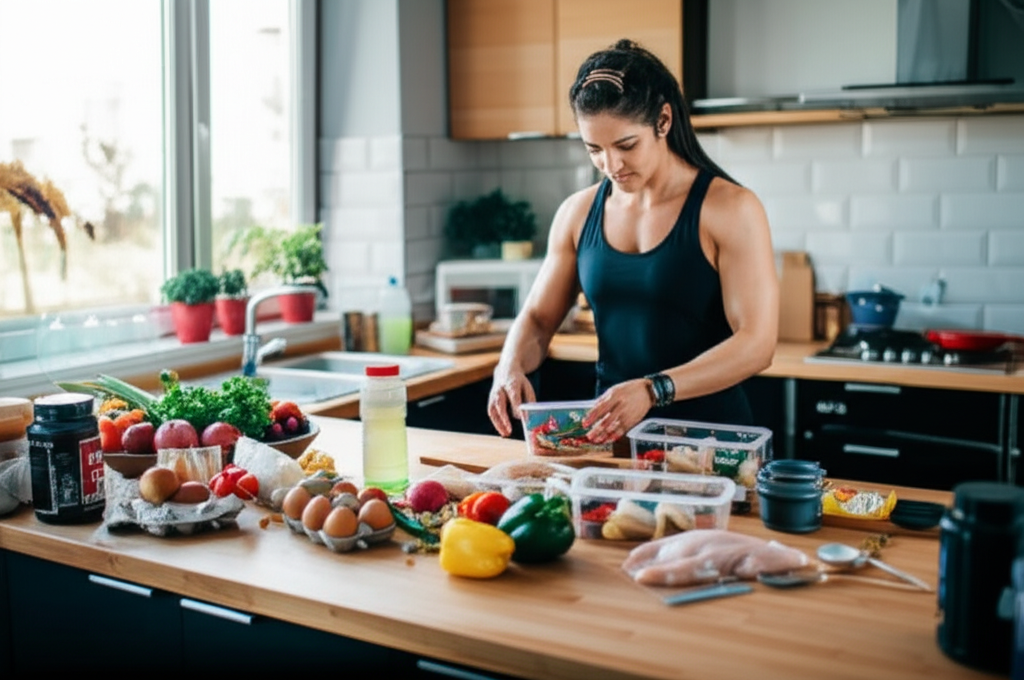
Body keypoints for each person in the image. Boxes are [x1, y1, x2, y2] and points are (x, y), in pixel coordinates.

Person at [487, 39, 779, 445]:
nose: (612, 166)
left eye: (626, 146)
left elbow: (757, 343)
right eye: (595, 150)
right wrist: (509, 366)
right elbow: (537, 318)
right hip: (614, 442)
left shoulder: (730, 208)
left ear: (663, 121)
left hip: (713, 446)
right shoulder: (577, 213)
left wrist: (652, 389)